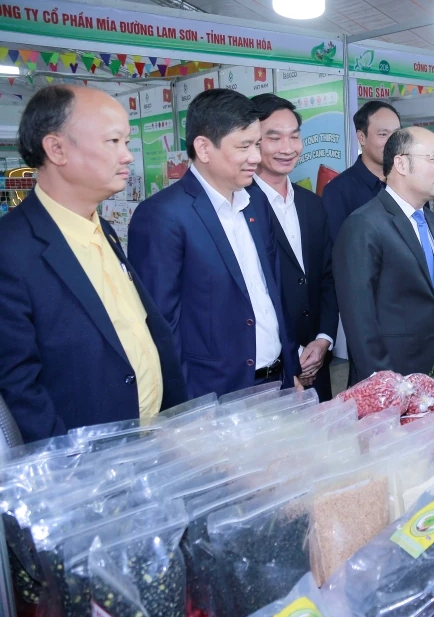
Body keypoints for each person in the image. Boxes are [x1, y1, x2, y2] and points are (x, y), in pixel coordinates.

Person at [0, 85, 186, 441]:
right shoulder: (12, 249)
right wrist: (72, 471)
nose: (128, 156)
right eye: (113, 141)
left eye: (126, 142)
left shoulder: (103, 228)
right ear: (56, 149)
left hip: (153, 445)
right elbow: (19, 384)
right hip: (90, 468)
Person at [128, 89, 300, 398]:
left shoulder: (256, 203)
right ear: (204, 148)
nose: (257, 158)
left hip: (277, 382)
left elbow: (272, 293)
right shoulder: (162, 216)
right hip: (213, 396)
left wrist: (290, 369)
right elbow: (161, 326)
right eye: (245, 146)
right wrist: (186, 409)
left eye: (257, 144)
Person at [333, 127, 434, 384]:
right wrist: (384, 384)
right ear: (401, 163)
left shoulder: (431, 220)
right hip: (391, 376)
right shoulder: (364, 224)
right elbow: (359, 319)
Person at [247, 94, 337, 400]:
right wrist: (292, 349)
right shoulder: (239, 207)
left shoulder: (312, 204)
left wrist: (324, 338)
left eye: (294, 137)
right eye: (273, 138)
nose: (287, 148)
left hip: (317, 362)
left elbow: (327, 276)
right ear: (251, 142)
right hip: (266, 369)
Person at [321, 100, 401, 246]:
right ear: (361, 137)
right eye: (383, 134)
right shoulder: (338, 191)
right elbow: (339, 252)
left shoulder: (407, 184)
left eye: (396, 134)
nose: (392, 142)